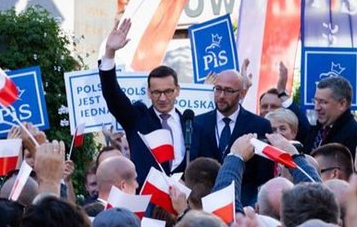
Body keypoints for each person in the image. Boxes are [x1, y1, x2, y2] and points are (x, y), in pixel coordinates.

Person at [100, 18, 189, 184]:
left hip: (182, 203)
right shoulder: (137, 119)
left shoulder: (191, 124)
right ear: (148, 93)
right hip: (147, 202)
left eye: (168, 91)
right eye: (156, 92)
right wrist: (110, 53)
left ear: (177, 90)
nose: (162, 98)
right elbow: (113, 95)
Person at [190, 69, 273, 207]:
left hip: (243, 204)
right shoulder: (198, 122)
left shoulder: (259, 125)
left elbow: (264, 174)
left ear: (242, 93)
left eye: (228, 90)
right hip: (204, 204)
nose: (221, 96)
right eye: (218, 89)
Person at [306, 76, 357, 153]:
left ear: (342, 104)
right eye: (315, 101)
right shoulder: (316, 130)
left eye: (323, 102)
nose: (316, 108)